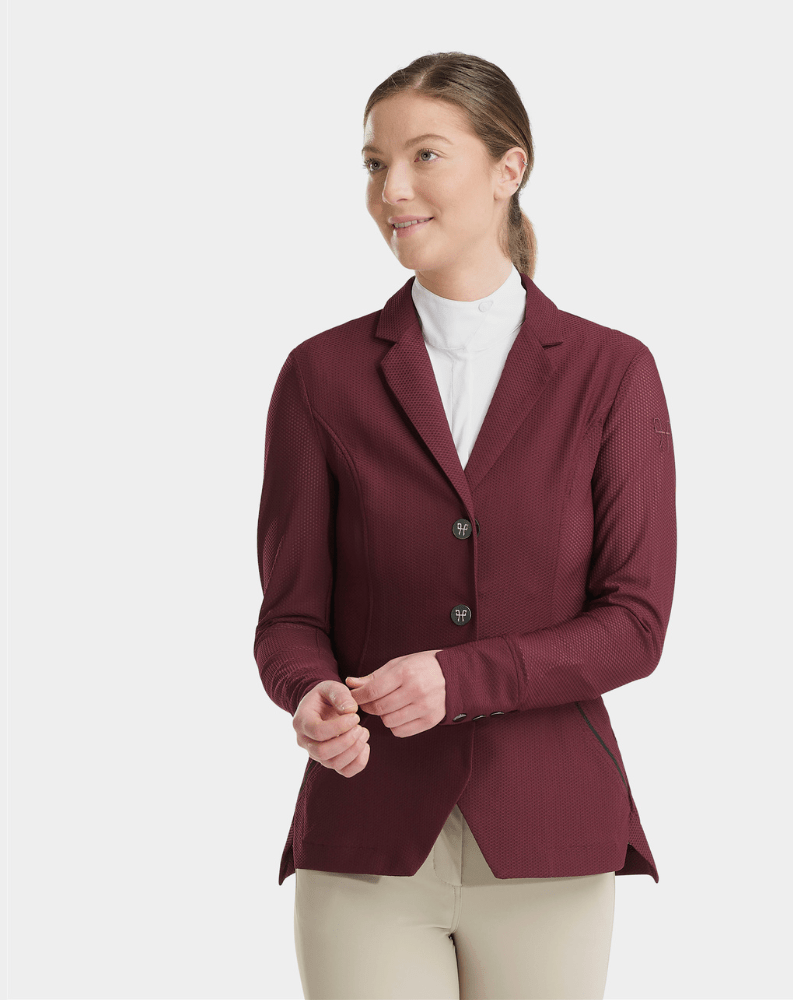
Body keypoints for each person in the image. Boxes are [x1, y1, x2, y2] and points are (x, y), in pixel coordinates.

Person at [253, 51, 678, 1000]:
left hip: (547, 834)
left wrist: (460, 679)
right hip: (366, 835)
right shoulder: (320, 376)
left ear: (508, 168)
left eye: (425, 156)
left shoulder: (612, 374)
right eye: (375, 163)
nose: (391, 190)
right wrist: (309, 690)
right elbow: (289, 615)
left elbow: (636, 623)